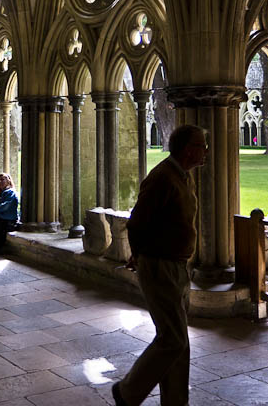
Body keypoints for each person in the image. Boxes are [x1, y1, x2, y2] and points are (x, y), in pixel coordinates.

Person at [111, 124, 209, 406]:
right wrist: (139, 254)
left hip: (176, 267)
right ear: (188, 149)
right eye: (202, 145)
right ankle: (127, 391)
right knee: (173, 339)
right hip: (160, 266)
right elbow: (138, 221)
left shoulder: (183, 176)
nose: (206, 151)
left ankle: (176, 401)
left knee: (179, 341)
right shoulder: (162, 178)